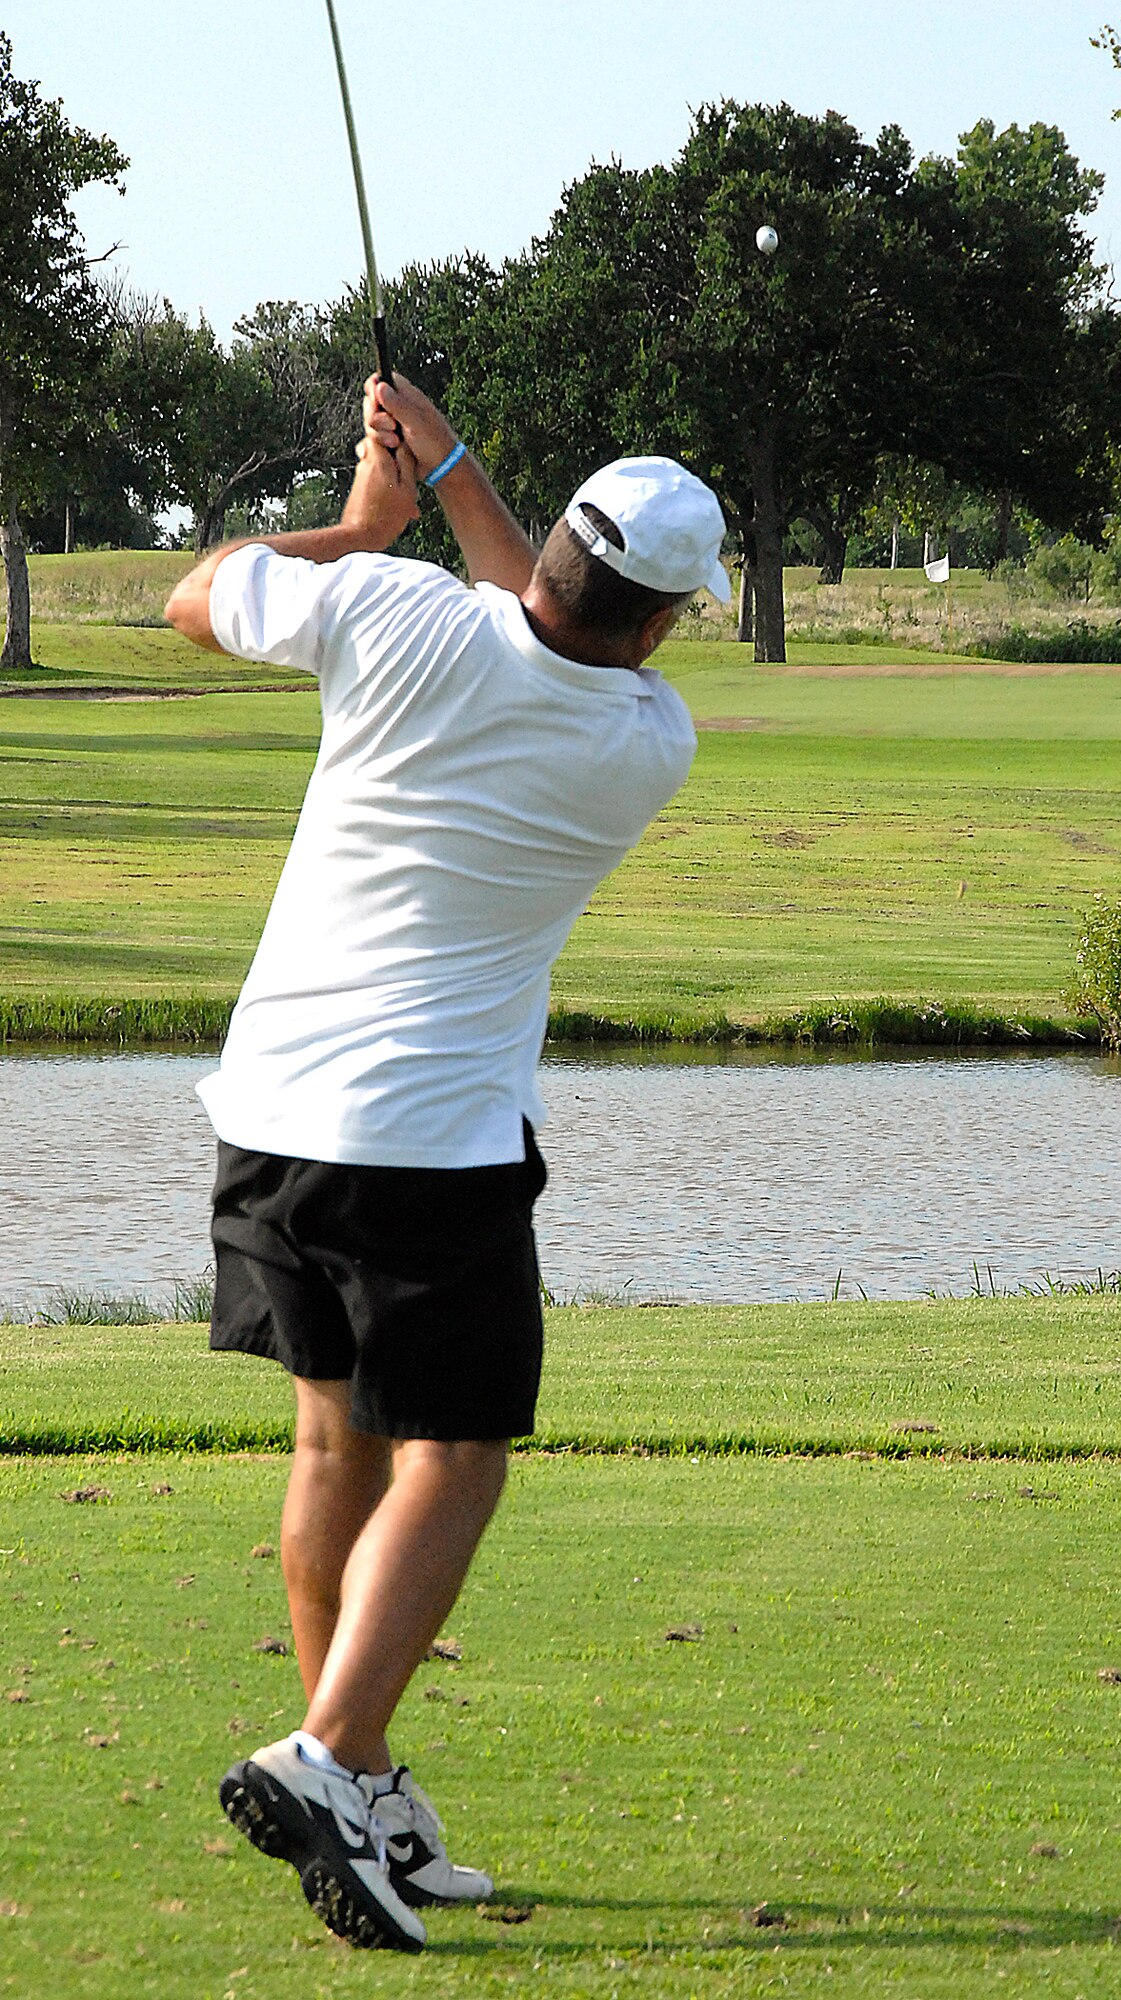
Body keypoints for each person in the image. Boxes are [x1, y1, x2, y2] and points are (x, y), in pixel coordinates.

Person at [164, 374, 728, 1952]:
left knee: (337, 1452)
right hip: (429, 1148)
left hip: (268, 1115)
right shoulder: (644, 739)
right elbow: (552, 625)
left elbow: (191, 595)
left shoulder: (388, 612)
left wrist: (362, 519)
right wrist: (453, 475)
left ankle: (363, 1788)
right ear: (673, 616)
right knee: (457, 1457)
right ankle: (331, 1758)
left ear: (553, 541)